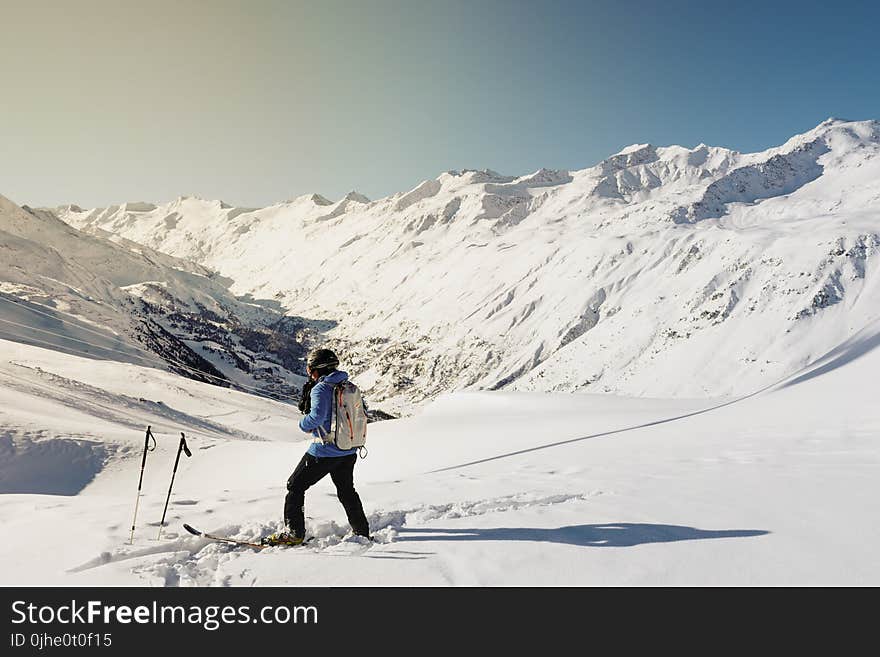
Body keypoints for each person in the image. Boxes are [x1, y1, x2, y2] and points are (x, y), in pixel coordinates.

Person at [263, 348, 370, 546]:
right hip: (348, 450)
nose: (309, 373)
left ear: (317, 370)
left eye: (310, 370)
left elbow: (316, 418)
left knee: (295, 486)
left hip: (324, 451)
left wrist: (303, 424)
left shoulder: (321, 389)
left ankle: (293, 533)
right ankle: (361, 531)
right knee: (347, 491)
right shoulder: (348, 385)